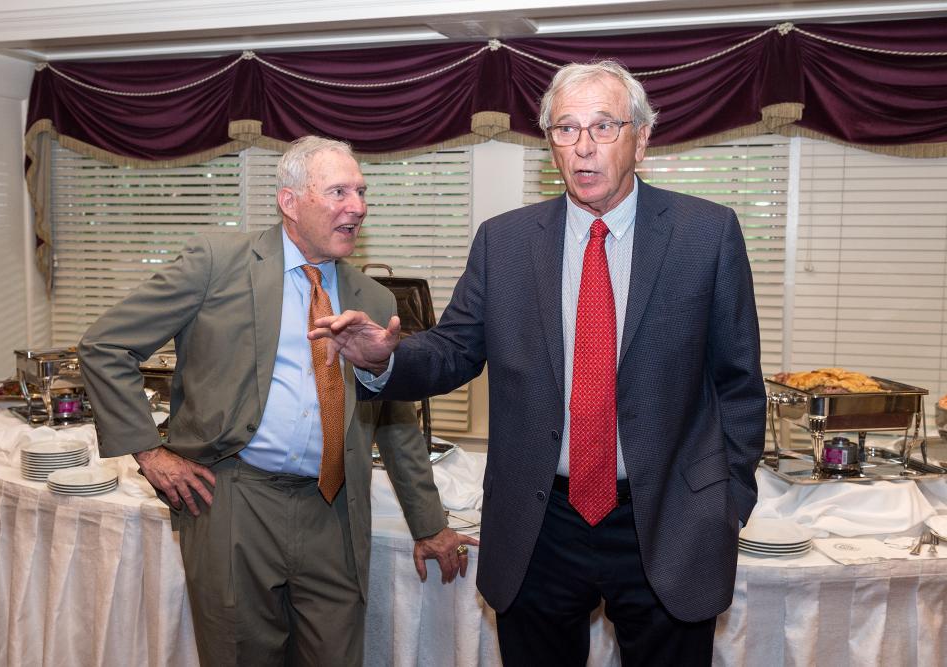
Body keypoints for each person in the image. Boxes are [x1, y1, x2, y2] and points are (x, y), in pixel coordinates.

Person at [309, 62, 766, 666]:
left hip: (670, 520)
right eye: (565, 128)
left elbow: (739, 384)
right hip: (539, 524)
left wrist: (725, 502)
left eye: (603, 127)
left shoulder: (705, 234)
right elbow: (454, 350)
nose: (582, 147)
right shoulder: (506, 241)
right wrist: (384, 361)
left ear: (642, 137)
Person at [78, 135, 476, 667]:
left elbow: (394, 418)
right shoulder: (217, 263)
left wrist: (429, 524)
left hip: (334, 509)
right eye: (338, 191)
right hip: (234, 500)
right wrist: (150, 453)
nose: (356, 206)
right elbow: (106, 345)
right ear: (290, 202)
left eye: (360, 191)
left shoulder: (374, 299)